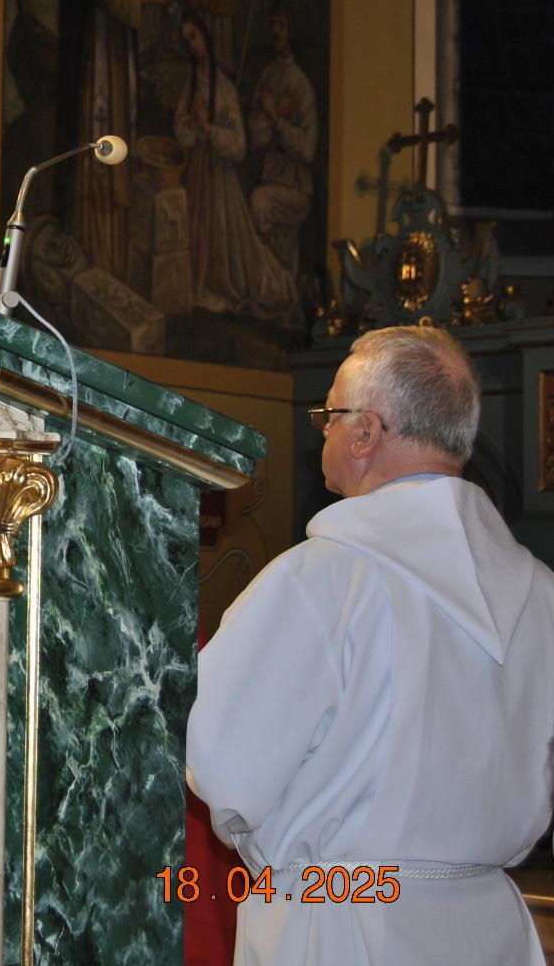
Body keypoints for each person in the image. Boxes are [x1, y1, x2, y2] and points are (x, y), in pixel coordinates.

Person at [187, 326, 554, 965]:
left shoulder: (323, 579)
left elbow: (222, 765)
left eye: (329, 416)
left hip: (343, 922)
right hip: (489, 926)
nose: (321, 432)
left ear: (365, 433)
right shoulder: (540, 591)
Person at [53, 0, 170, 282]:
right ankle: (91, 247)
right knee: (96, 133)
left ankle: (115, 258)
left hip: (116, 50)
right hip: (93, 55)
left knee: (120, 133)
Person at [173, 12, 295, 322]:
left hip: (219, 176)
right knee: (196, 230)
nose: (191, 45)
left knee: (225, 237)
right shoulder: (191, 85)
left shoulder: (225, 89)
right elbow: (181, 131)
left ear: (205, 37)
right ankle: (200, 287)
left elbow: (238, 145)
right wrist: (192, 124)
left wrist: (208, 128)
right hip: (198, 171)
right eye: (186, 40)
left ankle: (248, 285)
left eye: (194, 36)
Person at [248, 0, 317, 276]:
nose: (276, 31)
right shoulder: (267, 76)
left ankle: (279, 286)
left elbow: (307, 149)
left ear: (292, 32)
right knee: (278, 251)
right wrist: (270, 115)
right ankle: (278, 290)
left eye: (282, 25)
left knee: (260, 203)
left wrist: (277, 119)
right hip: (272, 177)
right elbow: (256, 137)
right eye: (273, 25)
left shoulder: (301, 85)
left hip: (294, 188)